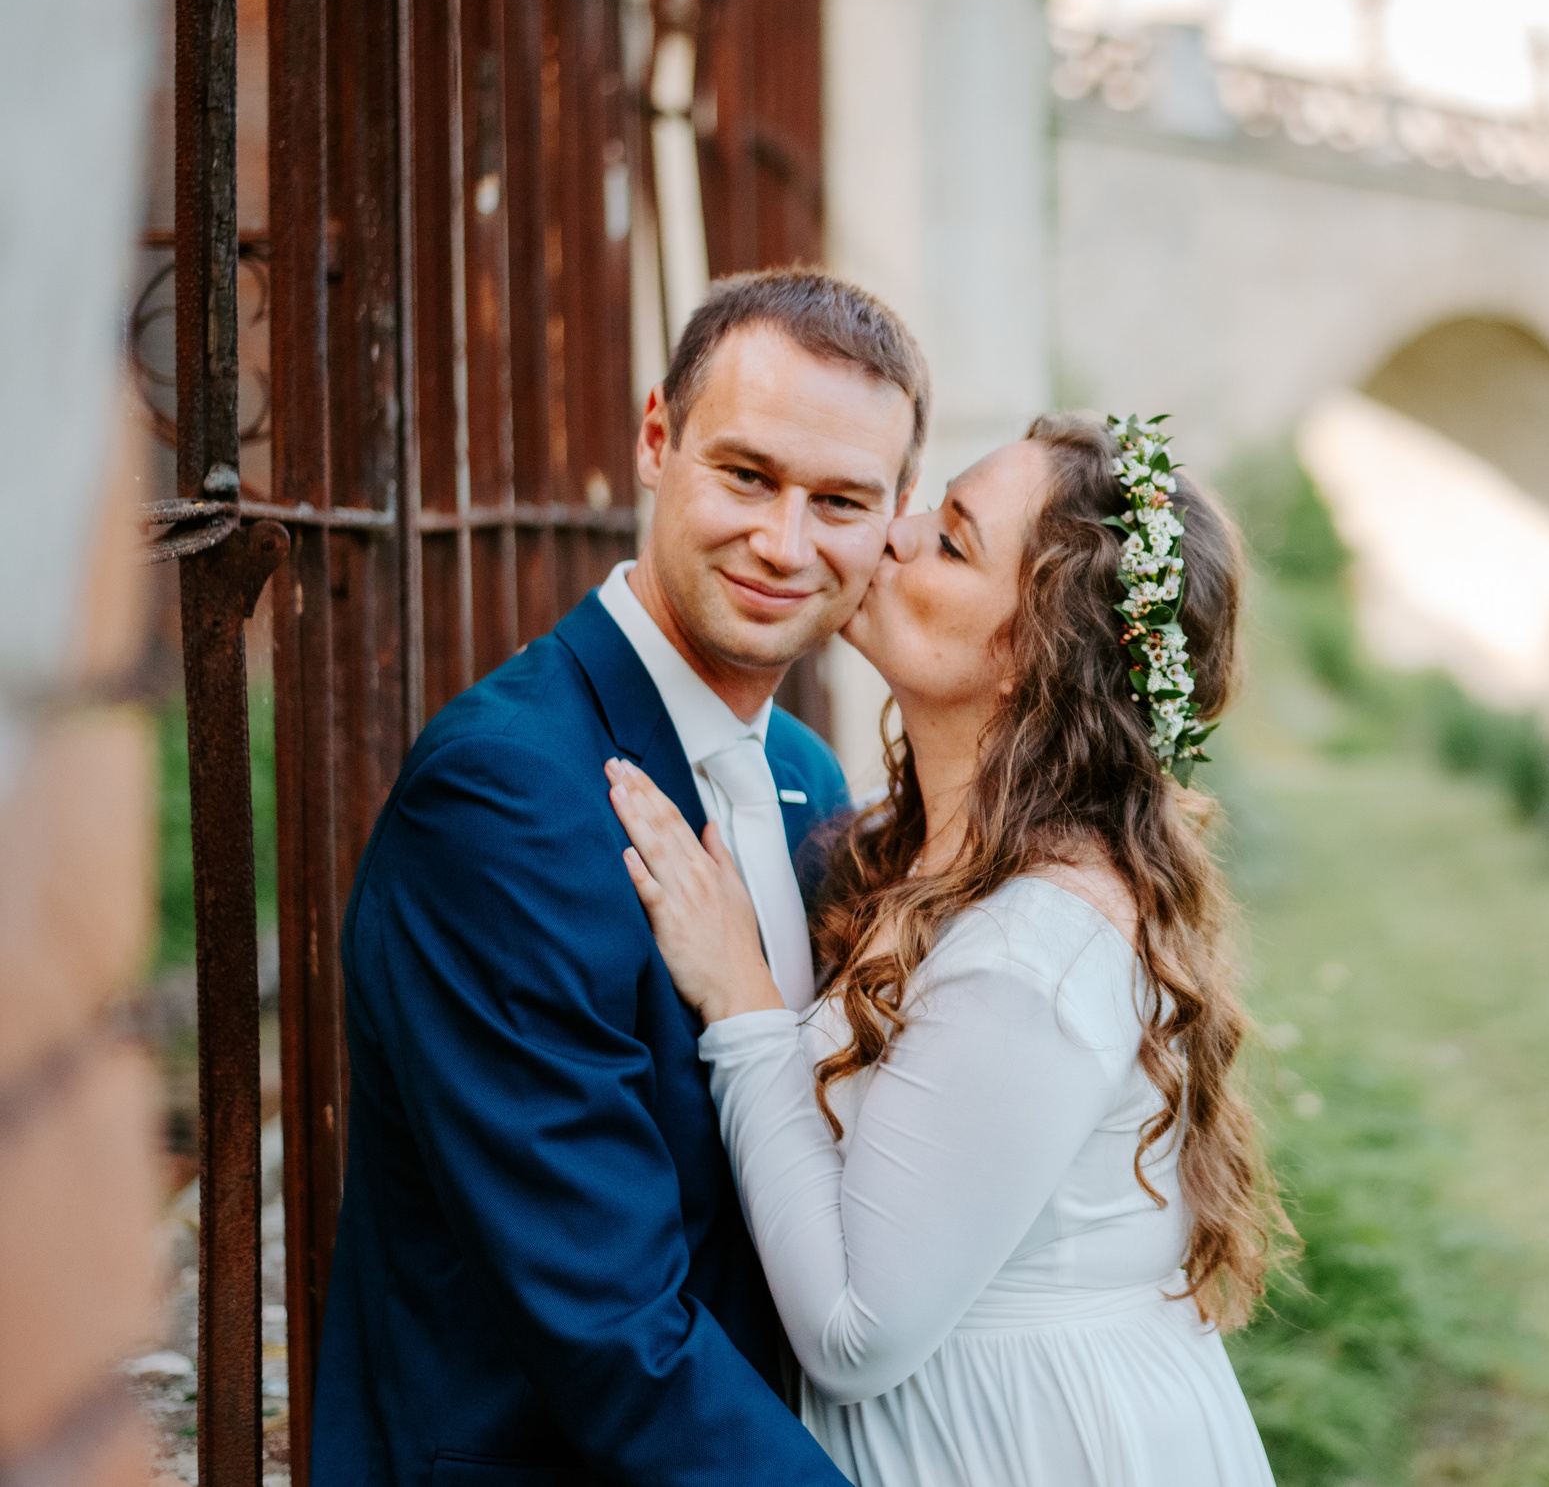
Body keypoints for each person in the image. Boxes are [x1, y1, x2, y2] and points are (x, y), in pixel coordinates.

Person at [311, 270, 928, 1487]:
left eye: (839, 500)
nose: (783, 542)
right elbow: (606, 1324)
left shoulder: (803, 774)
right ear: (657, 440)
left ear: (894, 514)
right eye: (745, 475)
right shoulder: (503, 796)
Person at [606, 413, 1284, 1486]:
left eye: (952, 539)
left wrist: (740, 997)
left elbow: (854, 1331)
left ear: (1032, 655)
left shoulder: (1034, 950)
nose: (893, 531)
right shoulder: (926, 852)